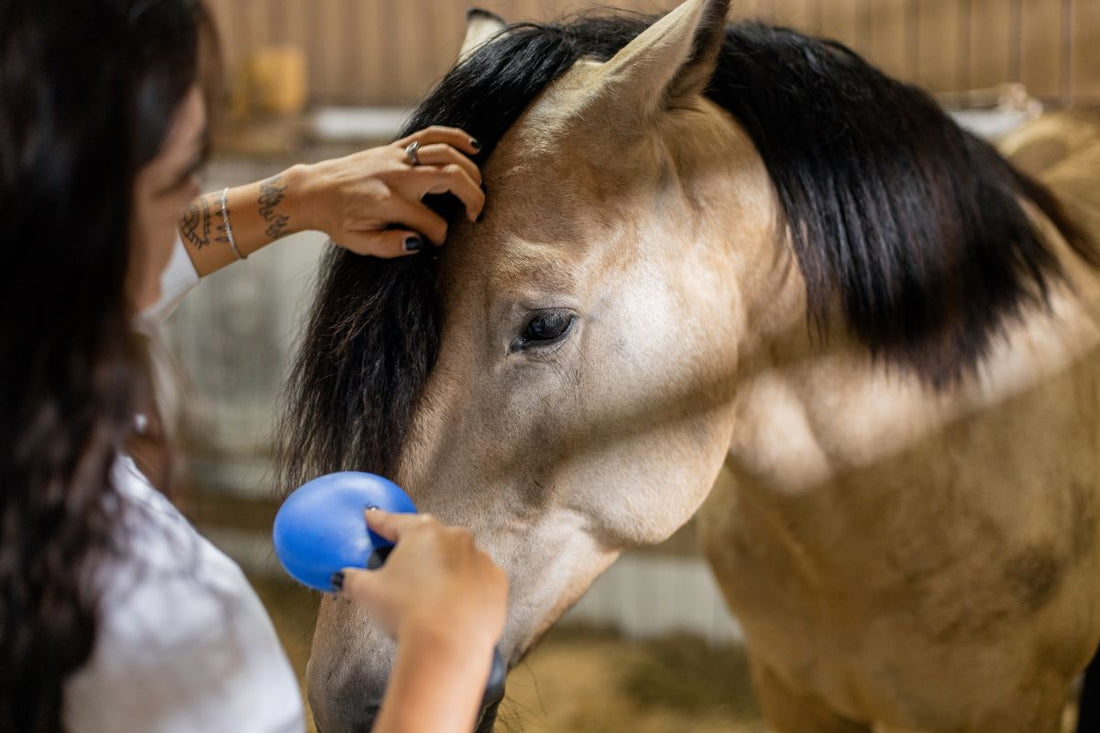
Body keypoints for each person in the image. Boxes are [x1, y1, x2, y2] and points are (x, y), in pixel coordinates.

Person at [0, 1, 507, 732]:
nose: (192, 201)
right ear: (78, 226)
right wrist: (448, 653)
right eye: (181, 178)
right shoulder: (144, 630)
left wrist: (296, 197)